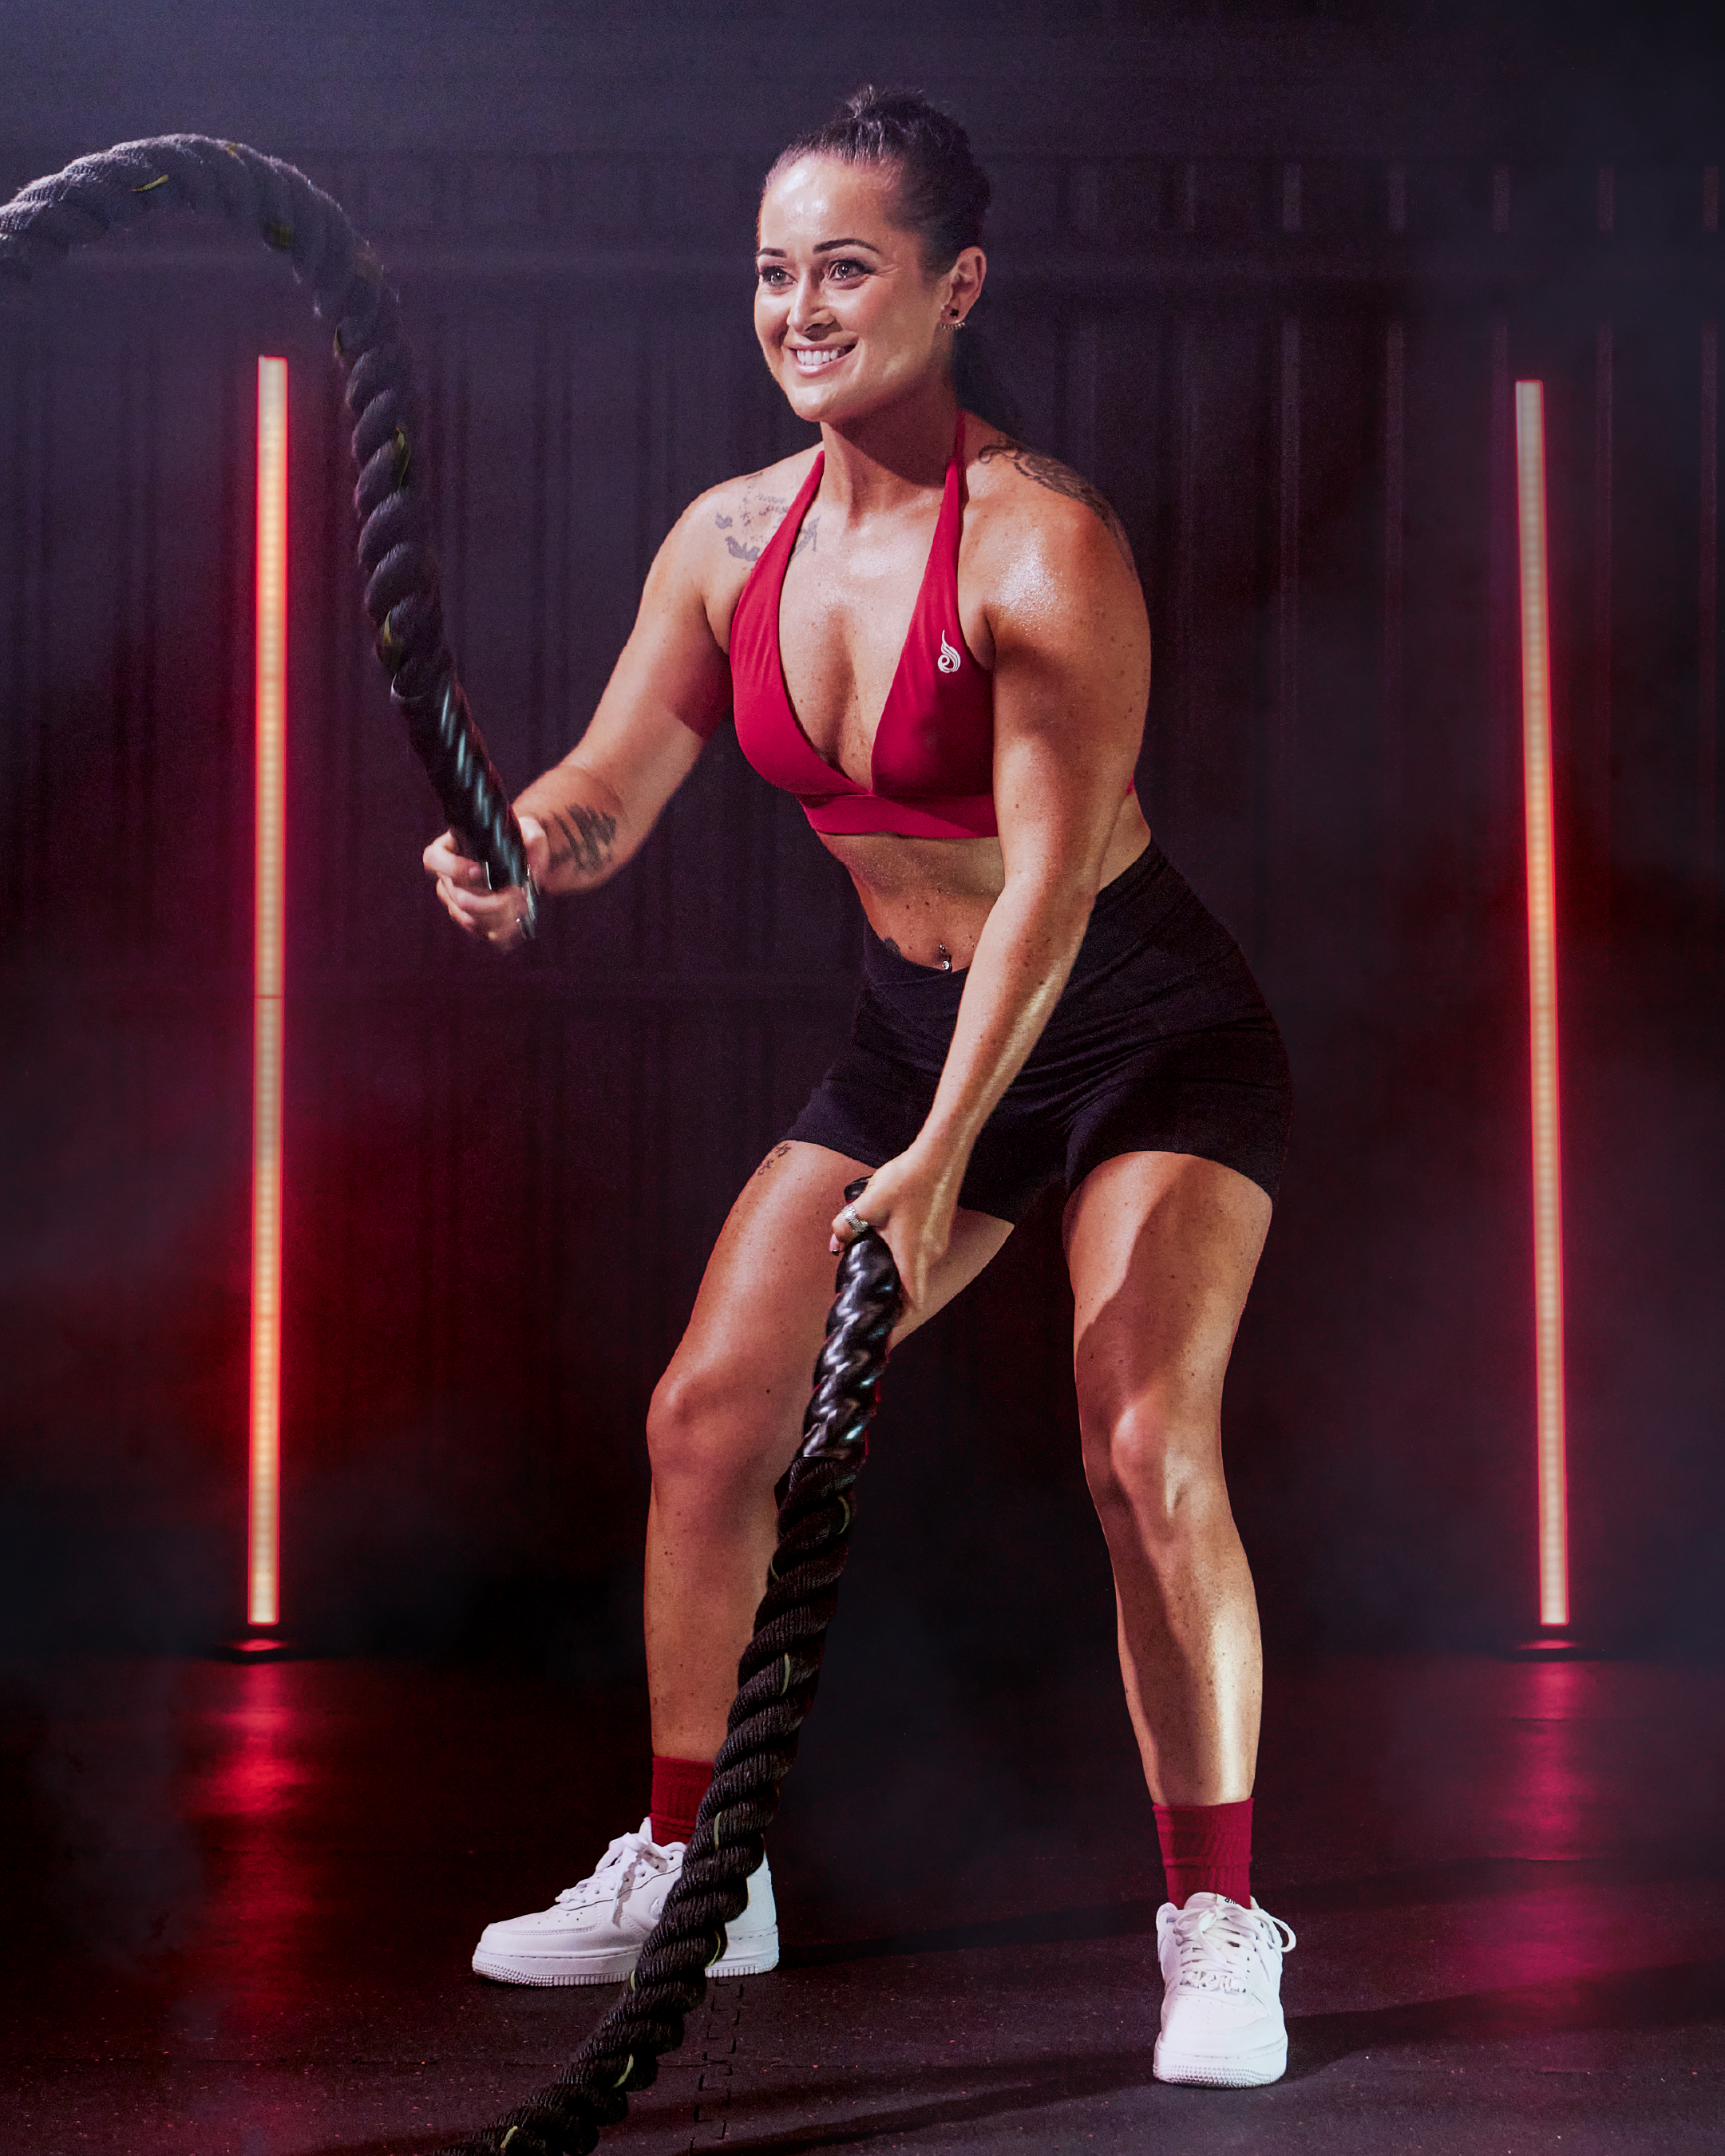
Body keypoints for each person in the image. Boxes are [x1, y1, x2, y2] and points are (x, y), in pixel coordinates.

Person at [423, 87, 1296, 2088]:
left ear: (955, 286)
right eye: (771, 272)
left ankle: (1220, 1921)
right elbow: (609, 790)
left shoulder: (1047, 548)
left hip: (1130, 1020)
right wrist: (512, 843)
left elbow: (1052, 901)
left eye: (847, 267)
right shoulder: (729, 543)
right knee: (708, 1417)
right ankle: (688, 1877)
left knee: (1142, 1439)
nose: (799, 308)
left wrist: (934, 1166)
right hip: (920, 1027)